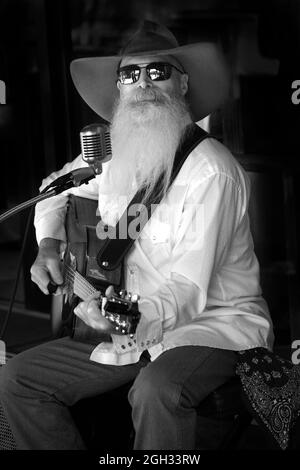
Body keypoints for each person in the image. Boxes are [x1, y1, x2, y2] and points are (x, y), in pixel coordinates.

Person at [0, 21, 274, 450]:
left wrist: (122, 318)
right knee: (16, 379)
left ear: (182, 83)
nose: (142, 84)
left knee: (156, 390)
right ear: (118, 89)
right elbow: (56, 188)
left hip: (211, 328)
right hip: (130, 327)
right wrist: (48, 245)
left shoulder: (211, 171)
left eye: (157, 72)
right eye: (129, 75)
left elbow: (187, 290)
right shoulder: (113, 153)